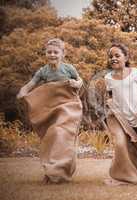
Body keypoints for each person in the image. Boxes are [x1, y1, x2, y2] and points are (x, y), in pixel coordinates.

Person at [17, 38, 83, 184]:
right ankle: (52, 171)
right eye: (49, 52)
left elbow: (80, 81)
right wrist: (23, 92)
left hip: (68, 106)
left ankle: (60, 171)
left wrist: (75, 83)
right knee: (52, 137)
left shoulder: (69, 68)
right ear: (46, 53)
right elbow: (31, 84)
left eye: (56, 52)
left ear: (63, 54)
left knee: (62, 135)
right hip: (51, 109)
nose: (52, 54)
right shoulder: (43, 71)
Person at [103, 43, 137, 185]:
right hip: (117, 118)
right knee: (120, 144)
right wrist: (109, 105)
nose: (113, 58)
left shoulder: (135, 73)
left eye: (117, 55)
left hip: (134, 116)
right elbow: (109, 94)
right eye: (111, 56)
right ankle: (121, 177)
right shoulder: (108, 77)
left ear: (125, 57)